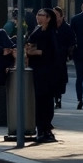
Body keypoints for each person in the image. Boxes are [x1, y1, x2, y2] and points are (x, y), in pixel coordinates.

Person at [26, 8, 59, 142]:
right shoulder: (37, 30)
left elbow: (51, 52)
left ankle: (46, 129)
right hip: (37, 69)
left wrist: (34, 52)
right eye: (38, 15)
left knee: (46, 100)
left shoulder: (51, 32)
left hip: (48, 71)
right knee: (39, 100)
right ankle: (41, 129)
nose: (38, 17)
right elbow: (30, 44)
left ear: (49, 18)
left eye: (42, 15)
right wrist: (30, 50)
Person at [52, 6, 75, 110]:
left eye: (56, 15)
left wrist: (69, 53)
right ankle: (53, 98)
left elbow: (71, 42)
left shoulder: (67, 28)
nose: (54, 17)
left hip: (61, 57)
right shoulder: (50, 27)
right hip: (50, 57)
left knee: (60, 79)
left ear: (61, 16)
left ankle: (58, 98)